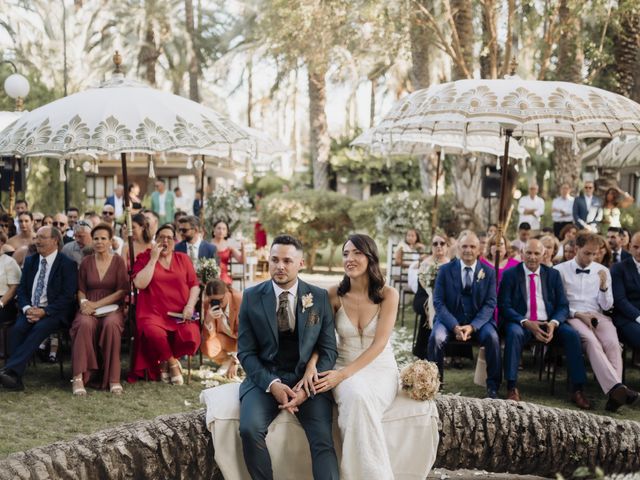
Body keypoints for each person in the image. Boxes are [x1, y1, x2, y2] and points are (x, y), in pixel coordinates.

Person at [293, 234, 401, 479]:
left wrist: (340, 376)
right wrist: (312, 365)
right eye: (345, 254)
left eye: (356, 253)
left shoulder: (388, 295)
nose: (349, 259)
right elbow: (322, 339)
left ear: (370, 257)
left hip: (380, 367)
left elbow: (379, 344)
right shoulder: (332, 295)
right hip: (342, 361)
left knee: (364, 399)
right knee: (356, 396)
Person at [237, 235, 339, 480]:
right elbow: (246, 352)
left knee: (323, 440)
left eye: (287, 260)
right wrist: (272, 385)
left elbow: (328, 351)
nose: (280, 266)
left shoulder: (319, 297)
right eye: (274, 260)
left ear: (300, 263)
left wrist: (307, 388)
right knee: (249, 430)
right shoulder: (251, 296)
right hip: (265, 379)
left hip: (307, 381)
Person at [498, 239, 591, 408]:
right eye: (529, 252)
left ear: (544, 255)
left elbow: (563, 305)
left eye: (536, 253)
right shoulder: (510, 274)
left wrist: (554, 324)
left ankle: (577, 389)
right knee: (514, 334)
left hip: (548, 322)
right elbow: (504, 305)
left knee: (572, 335)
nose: (532, 257)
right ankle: (511, 387)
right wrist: (526, 322)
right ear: (522, 254)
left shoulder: (553, 275)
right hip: (521, 322)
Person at [555, 232, 638, 411]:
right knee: (592, 342)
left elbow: (607, 305)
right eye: (587, 253)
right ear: (577, 248)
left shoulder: (603, 270)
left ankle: (615, 394)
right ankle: (616, 389)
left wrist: (603, 287)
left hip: (598, 315)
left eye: (594, 254)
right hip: (574, 315)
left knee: (612, 344)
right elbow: (559, 303)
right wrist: (577, 314)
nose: (591, 258)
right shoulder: (560, 270)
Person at [0, 227, 77, 391]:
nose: (37, 241)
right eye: (36, 237)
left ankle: (9, 370)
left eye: (42, 237)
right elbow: (21, 290)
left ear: (55, 240)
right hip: (30, 309)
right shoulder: (31, 261)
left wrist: (45, 311)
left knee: (40, 327)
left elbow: (67, 296)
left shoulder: (67, 264)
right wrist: (27, 308)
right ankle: (15, 378)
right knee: (17, 329)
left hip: (54, 312)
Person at [427, 231, 501, 398]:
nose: (468, 250)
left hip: (478, 323)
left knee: (493, 338)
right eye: (464, 246)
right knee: (436, 338)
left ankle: (493, 387)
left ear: (479, 249)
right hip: (449, 321)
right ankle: (435, 385)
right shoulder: (445, 270)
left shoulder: (488, 273)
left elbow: (490, 303)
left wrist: (473, 326)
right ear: (458, 249)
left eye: (472, 246)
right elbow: (438, 301)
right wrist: (454, 326)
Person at [130, 224, 200, 384]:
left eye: (169, 238)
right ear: (156, 241)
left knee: (191, 335)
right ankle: (172, 363)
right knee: (153, 331)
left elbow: (194, 285)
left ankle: (164, 361)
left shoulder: (183, 259)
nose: (165, 241)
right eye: (161, 237)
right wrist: (153, 259)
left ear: (175, 241)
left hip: (179, 313)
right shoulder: (145, 257)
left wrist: (190, 306)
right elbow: (140, 284)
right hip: (152, 313)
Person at [70, 224, 129, 396]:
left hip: (112, 307)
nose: (99, 242)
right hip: (89, 305)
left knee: (111, 325)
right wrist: (83, 303)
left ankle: (113, 379)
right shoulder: (86, 262)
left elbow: (121, 291)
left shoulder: (118, 261)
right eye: (96, 238)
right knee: (83, 324)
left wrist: (97, 305)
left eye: (103, 238)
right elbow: (80, 288)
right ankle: (78, 377)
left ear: (111, 241)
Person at [409, 232, 450, 359]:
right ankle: (424, 350)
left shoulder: (452, 264)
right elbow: (422, 289)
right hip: (424, 296)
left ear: (447, 246)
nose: (439, 246)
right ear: (431, 247)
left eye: (442, 243)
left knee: (449, 306)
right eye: (435, 244)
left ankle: (453, 353)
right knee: (430, 305)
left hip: (446, 299)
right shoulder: (425, 265)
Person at [202, 278, 242, 378]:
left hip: (245, 341)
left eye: (220, 300)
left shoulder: (239, 300)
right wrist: (208, 320)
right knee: (207, 346)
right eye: (213, 301)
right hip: (227, 339)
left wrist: (235, 360)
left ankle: (241, 361)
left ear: (227, 292)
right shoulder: (207, 304)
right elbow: (209, 338)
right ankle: (226, 360)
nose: (218, 304)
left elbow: (245, 334)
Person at [611, 231, 640, 351]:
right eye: (636, 247)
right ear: (629, 247)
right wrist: (638, 317)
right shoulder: (619, 269)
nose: (639, 251)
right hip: (626, 318)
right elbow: (619, 300)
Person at [211, 220, 244, 285]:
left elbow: (242, 261)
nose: (221, 231)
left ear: (226, 232)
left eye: (224, 229)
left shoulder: (229, 245)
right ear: (214, 230)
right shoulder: (207, 245)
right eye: (219, 228)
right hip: (210, 276)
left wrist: (243, 247)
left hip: (224, 277)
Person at [0, 231, 21, 325]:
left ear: (1, 242)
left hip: (4, 302)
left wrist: (1, 303)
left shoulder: (9, 262)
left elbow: (14, 288)